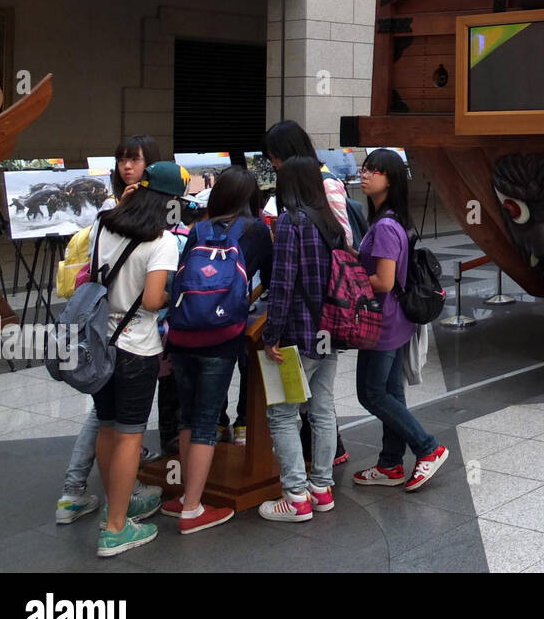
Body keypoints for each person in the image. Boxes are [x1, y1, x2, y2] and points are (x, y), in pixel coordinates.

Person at [55, 134, 164, 527]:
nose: (126, 167)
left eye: (134, 160)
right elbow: (152, 297)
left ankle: (98, 496)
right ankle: (112, 511)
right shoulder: (119, 218)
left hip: (106, 333)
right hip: (124, 337)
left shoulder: (116, 218)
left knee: (105, 421)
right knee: (118, 426)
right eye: (121, 160)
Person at [161, 166, 273, 534]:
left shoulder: (198, 230)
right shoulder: (256, 231)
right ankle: (192, 508)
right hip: (221, 337)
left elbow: (181, 279)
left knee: (189, 417)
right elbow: (271, 282)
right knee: (208, 419)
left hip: (182, 334)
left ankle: (183, 494)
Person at [90, 161, 184, 557]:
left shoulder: (102, 224)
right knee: (130, 437)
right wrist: (170, 296)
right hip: (136, 349)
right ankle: (115, 529)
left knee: (106, 427)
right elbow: (150, 301)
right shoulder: (162, 241)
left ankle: (119, 505)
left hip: (99, 343)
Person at [352, 149, 449, 491]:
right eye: (364, 169)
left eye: (374, 171)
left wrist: (349, 283)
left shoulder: (386, 226)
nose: (365, 175)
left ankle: (428, 447)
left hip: (383, 321)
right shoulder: (388, 220)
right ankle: (390, 464)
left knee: (371, 394)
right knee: (391, 392)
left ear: (390, 180)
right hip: (396, 320)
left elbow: (384, 281)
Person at [257, 157, 340, 522]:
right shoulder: (330, 220)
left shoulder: (293, 221)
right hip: (329, 330)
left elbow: (283, 282)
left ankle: (295, 497)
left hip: (297, 335)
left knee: (282, 414)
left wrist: (270, 335)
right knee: (322, 409)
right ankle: (321, 489)